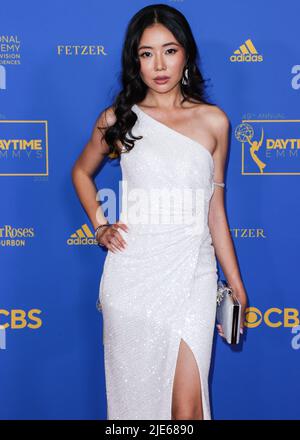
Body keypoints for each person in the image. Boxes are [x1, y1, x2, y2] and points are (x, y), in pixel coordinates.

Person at [71, 4, 248, 420]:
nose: (159, 64)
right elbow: (81, 171)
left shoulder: (213, 121)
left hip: (193, 272)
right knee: (139, 410)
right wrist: (99, 225)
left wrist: (235, 281)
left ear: (186, 53)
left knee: (186, 411)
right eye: (146, 54)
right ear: (135, 60)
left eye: (169, 50)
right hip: (132, 273)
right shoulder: (120, 119)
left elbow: (215, 209)